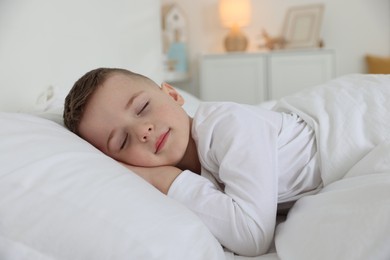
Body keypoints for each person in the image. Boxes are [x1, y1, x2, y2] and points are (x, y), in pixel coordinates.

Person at [63, 67, 322, 256]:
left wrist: (162, 177)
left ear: (173, 95)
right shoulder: (190, 172)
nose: (143, 131)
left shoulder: (228, 125)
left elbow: (253, 236)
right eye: (121, 142)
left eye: (142, 108)